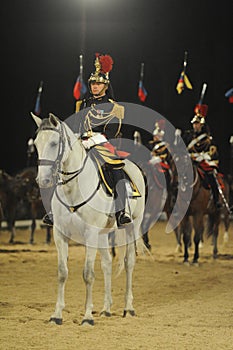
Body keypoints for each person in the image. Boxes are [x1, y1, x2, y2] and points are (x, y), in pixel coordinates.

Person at [43, 53, 132, 227]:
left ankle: (122, 210)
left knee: (115, 167)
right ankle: (54, 210)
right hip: (82, 141)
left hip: (103, 143)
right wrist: (77, 137)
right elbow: (76, 125)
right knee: (61, 163)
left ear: (105, 85)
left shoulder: (114, 107)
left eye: (98, 83)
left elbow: (114, 130)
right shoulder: (82, 104)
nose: (94, 86)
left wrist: (94, 138)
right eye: (92, 83)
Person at [182, 103, 222, 209]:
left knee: (211, 175)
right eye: (194, 123)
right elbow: (183, 149)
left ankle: (216, 199)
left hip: (202, 161)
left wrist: (202, 156)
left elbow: (212, 152)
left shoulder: (207, 138)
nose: (195, 125)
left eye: (197, 123)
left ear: (201, 125)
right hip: (191, 161)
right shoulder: (189, 136)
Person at [148, 119, 173, 190]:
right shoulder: (153, 145)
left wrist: (156, 160)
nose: (154, 137)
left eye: (156, 136)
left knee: (165, 174)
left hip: (163, 163)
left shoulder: (165, 145)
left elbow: (164, 156)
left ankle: (167, 188)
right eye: (154, 135)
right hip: (153, 162)